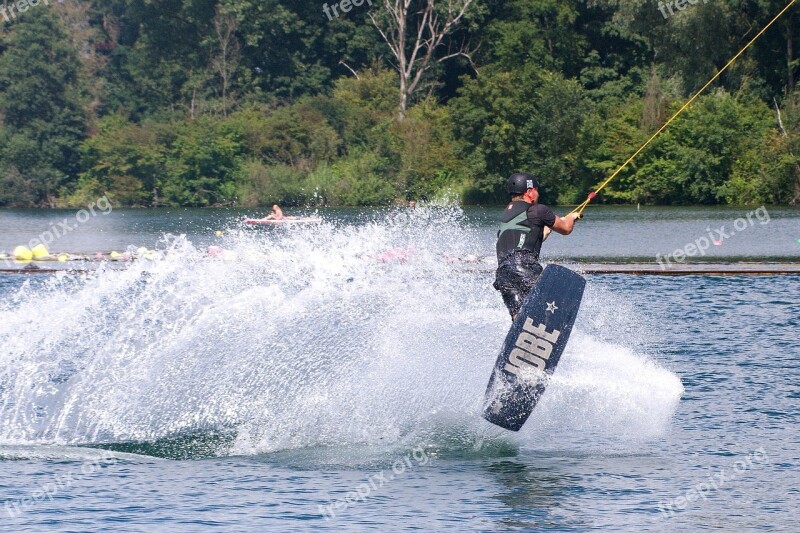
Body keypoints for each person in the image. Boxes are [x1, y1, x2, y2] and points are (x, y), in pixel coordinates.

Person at [494, 172, 580, 319]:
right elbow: (566, 228)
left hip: (503, 274)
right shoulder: (538, 210)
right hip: (523, 265)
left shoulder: (505, 216)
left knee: (520, 317)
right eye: (536, 190)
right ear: (529, 192)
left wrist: (550, 228)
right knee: (554, 301)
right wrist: (572, 217)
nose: (538, 194)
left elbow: (533, 236)